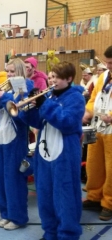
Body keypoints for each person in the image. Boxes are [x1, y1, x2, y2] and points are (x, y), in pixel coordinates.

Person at [20, 61, 85, 239]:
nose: (51, 81)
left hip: (65, 153)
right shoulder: (50, 97)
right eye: (50, 77)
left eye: (56, 78)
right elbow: (37, 122)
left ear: (69, 78)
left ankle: (68, 234)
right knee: (45, 193)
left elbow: (68, 122)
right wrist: (29, 107)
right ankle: (50, 231)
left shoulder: (76, 97)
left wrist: (44, 105)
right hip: (45, 152)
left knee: (65, 195)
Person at [0, 58, 33, 230]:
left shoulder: (27, 87)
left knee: (14, 180)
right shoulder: (4, 87)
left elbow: (19, 112)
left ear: (20, 72)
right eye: (7, 71)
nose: (9, 75)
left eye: (12, 72)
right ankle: (6, 214)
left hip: (15, 141)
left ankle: (18, 217)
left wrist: (4, 97)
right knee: (0, 179)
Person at [82, 45, 112, 221]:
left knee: (111, 169)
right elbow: (94, 98)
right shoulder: (102, 77)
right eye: (107, 62)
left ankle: (108, 203)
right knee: (94, 165)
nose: (108, 66)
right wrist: (88, 111)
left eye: (111, 63)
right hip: (97, 128)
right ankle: (94, 197)